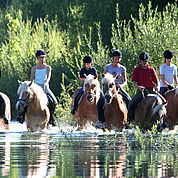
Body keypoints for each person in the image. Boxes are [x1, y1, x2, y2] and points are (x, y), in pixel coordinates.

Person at [17, 49, 57, 126]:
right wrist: (31, 86)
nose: (42, 59)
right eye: (40, 57)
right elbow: (31, 80)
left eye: (43, 57)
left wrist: (45, 83)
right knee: (26, 100)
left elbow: (48, 77)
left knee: (54, 101)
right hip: (35, 88)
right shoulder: (34, 68)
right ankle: (21, 116)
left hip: (45, 87)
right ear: (37, 58)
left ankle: (51, 117)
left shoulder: (48, 67)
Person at [71, 55, 105, 128]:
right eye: (86, 63)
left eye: (89, 63)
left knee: (102, 95)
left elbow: (95, 77)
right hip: (86, 85)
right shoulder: (83, 70)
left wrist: (91, 79)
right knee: (78, 94)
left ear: (91, 63)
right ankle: (74, 108)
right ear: (84, 64)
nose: (88, 64)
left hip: (93, 85)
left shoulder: (93, 69)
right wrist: (87, 79)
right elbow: (81, 78)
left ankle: (103, 113)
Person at [128, 52, 159, 122]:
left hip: (151, 90)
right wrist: (139, 87)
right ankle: (130, 120)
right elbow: (134, 83)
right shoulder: (136, 70)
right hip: (141, 91)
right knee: (131, 104)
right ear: (140, 61)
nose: (144, 63)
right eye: (143, 61)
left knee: (163, 102)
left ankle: (164, 120)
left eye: (146, 61)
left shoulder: (151, 69)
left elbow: (157, 81)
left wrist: (158, 87)